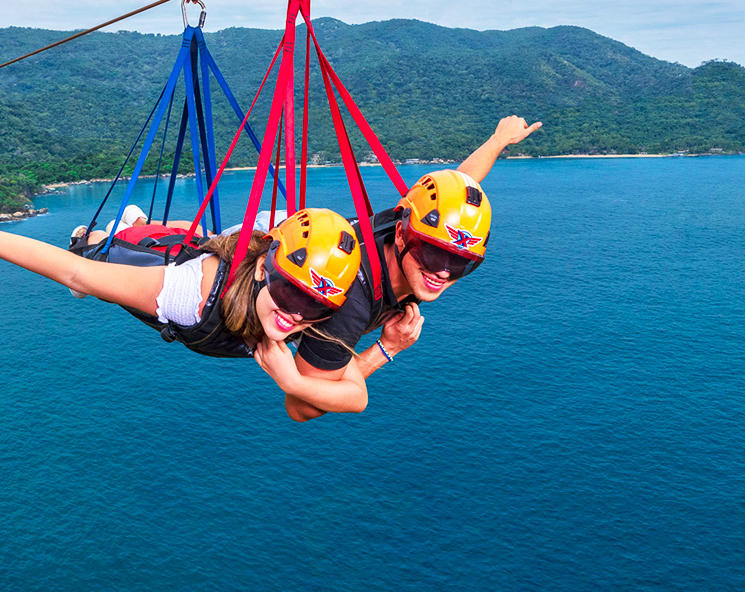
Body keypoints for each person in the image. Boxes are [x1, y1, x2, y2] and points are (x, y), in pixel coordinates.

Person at [286, 115, 542, 421]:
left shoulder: (410, 223)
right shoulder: (349, 302)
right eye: (433, 255)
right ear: (401, 236)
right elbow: (300, 407)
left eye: (461, 262)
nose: (444, 272)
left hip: (298, 235)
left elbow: (453, 189)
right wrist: (388, 348)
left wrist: (498, 140)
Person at [0, 207, 370, 415]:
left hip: (209, 243)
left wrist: (294, 382)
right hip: (153, 262)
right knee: (95, 256)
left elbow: (357, 398)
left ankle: (139, 222)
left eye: (318, 307)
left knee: (192, 235)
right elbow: (75, 273)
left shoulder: (313, 296)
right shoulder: (189, 298)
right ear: (263, 269)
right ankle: (100, 233)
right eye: (290, 293)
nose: (297, 316)